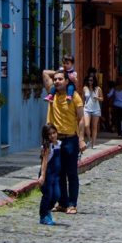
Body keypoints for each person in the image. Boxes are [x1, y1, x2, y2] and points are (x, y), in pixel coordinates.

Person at [42, 70, 86, 213]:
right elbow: (44, 73)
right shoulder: (52, 94)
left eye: (61, 79)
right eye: (56, 79)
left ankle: (72, 204)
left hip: (71, 140)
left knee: (71, 173)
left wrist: (81, 140)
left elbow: (81, 119)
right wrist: (64, 72)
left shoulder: (74, 96)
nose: (57, 81)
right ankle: (62, 203)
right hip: (56, 140)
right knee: (58, 172)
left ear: (67, 81)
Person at [37, 123, 61, 225]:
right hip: (47, 176)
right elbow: (44, 162)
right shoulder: (47, 147)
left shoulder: (59, 144)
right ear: (46, 136)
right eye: (50, 134)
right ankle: (43, 216)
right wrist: (42, 175)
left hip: (55, 176)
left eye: (54, 133)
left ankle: (48, 210)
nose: (52, 135)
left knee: (56, 195)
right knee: (47, 195)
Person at [82, 74, 103, 149]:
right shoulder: (85, 88)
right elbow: (83, 99)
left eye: (91, 80)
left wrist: (97, 98)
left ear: (94, 81)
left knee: (94, 127)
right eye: (88, 80)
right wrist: (81, 107)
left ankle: (93, 144)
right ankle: (89, 139)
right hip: (87, 108)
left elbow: (102, 98)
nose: (90, 82)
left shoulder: (98, 89)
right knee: (86, 125)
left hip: (96, 109)